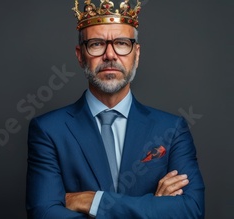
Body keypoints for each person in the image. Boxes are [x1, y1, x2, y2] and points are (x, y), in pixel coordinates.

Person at [26, 1, 205, 218]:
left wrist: (94, 201)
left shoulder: (172, 129)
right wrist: (154, 209)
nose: (110, 55)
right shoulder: (48, 130)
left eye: (121, 43)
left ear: (136, 54)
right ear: (80, 55)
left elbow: (191, 210)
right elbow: (44, 213)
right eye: (96, 44)